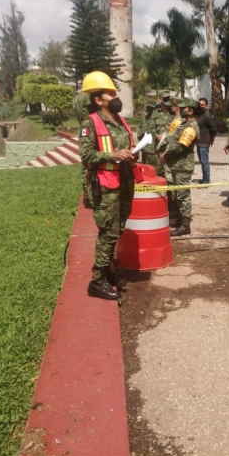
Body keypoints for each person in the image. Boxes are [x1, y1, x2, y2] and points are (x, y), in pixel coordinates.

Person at [78, 71, 136, 301]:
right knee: (108, 232)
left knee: (118, 228)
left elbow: (125, 146)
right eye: (110, 94)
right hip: (105, 186)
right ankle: (97, 280)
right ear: (98, 101)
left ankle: (109, 271)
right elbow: (86, 155)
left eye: (115, 92)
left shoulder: (119, 120)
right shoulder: (89, 123)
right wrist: (113, 155)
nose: (115, 97)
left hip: (124, 182)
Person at [159, 98, 200, 236]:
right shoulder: (185, 123)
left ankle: (185, 225)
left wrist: (166, 155)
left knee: (183, 195)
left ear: (191, 111)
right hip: (177, 165)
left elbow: (181, 147)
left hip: (183, 165)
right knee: (177, 193)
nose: (181, 109)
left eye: (184, 108)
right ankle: (180, 219)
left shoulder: (192, 127)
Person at [158, 97, 184, 226]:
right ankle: (174, 210)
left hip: (173, 157)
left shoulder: (179, 120)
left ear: (177, 106)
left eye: (172, 105)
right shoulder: (175, 119)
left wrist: (166, 152)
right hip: (169, 155)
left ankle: (178, 213)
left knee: (175, 186)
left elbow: (173, 139)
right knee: (171, 183)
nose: (170, 107)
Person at [196, 97, 217, 184]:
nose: (200, 106)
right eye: (199, 104)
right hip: (199, 142)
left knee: (205, 162)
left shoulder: (207, 116)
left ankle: (206, 180)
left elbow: (213, 129)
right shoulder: (199, 115)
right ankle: (204, 178)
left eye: (202, 105)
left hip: (204, 143)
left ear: (206, 106)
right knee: (202, 161)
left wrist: (211, 140)